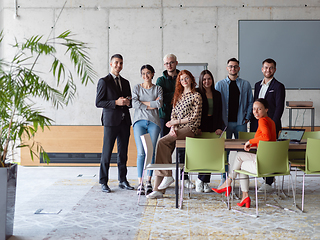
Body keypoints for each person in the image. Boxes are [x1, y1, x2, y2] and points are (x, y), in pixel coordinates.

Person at [147, 70, 202, 199]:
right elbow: (174, 114)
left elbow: (195, 118)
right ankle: (158, 190)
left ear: (191, 79)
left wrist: (176, 122)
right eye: (181, 79)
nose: (184, 81)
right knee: (162, 148)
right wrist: (174, 126)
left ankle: (168, 176)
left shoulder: (196, 95)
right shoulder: (178, 95)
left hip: (190, 128)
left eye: (186, 78)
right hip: (178, 128)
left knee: (162, 142)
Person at [212, 98, 277, 208]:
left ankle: (228, 183)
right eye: (254, 109)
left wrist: (250, 141)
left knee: (239, 159)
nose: (255, 112)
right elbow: (268, 141)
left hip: (263, 165)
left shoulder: (262, 121)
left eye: (259, 109)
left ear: (266, 109)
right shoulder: (271, 121)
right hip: (272, 163)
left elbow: (266, 137)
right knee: (240, 161)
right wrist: (253, 143)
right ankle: (244, 196)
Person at [95, 54, 134, 193]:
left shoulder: (125, 82)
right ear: (111, 64)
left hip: (124, 121)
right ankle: (103, 181)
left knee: (123, 153)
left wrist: (128, 102)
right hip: (110, 122)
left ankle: (122, 180)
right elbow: (98, 102)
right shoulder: (103, 81)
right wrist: (115, 102)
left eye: (121, 63)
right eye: (116, 63)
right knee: (107, 152)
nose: (119, 65)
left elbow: (130, 100)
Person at [156, 54, 194, 189]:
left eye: (171, 62)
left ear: (176, 63)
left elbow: (183, 94)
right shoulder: (160, 80)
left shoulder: (182, 77)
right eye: (166, 63)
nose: (169, 65)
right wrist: (177, 94)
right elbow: (160, 98)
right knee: (165, 145)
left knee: (182, 149)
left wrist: (173, 95)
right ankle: (166, 177)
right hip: (165, 117)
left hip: (182, 120)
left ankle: (184, 178)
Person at [215, 58, 253, 185]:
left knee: (242, 152)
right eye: (230, 66)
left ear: (239, 69)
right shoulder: (219, 85)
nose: (233, 69)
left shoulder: (245, 84)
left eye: (235, 66)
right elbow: (216, 104)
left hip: (240, 123)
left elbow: (250, 102)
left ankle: (242, 181)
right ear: (227, 68)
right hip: (224, 124)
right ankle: (224, 179)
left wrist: (247, 117)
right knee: (223, 152)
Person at [250, 58, 285, 192]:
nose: (268, 70)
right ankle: (266, 178)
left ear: (274, 70)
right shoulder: (258, 85)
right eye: (265, 67)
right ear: (262, 69)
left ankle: (269, 182)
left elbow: (279, 108)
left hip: (272, 126)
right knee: (260, 152)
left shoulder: (278, 86)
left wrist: (273, 126)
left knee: (270, 154)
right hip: (259, 125)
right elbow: (256, 106)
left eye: (271, 68)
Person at [132, 64, 163, 195]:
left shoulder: (158, 89)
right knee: (141, 153)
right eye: (143, 73)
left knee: (151, 153)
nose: (146, 76)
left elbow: (159, 104)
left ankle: (149, 181)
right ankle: (140, 183)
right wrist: (151, 104)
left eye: (148, 73)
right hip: (139, 123)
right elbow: (134, 104)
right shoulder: (136, 88)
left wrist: (142, 103)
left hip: (154, 123)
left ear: (153, 74)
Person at [195, 70, 225, 193]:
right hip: (201, 126)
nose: (207, 81)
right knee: (202, 155)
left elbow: (219, 112)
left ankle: (205, 182)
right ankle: (199, 180)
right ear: (201, 81)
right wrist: (196, 127)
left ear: (212, 80)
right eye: (204, 79)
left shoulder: (217, 94)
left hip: (213, 126)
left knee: (210, 155)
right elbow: (195, 111)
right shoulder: (197, 92)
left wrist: (219, 127)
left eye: (209, 79)